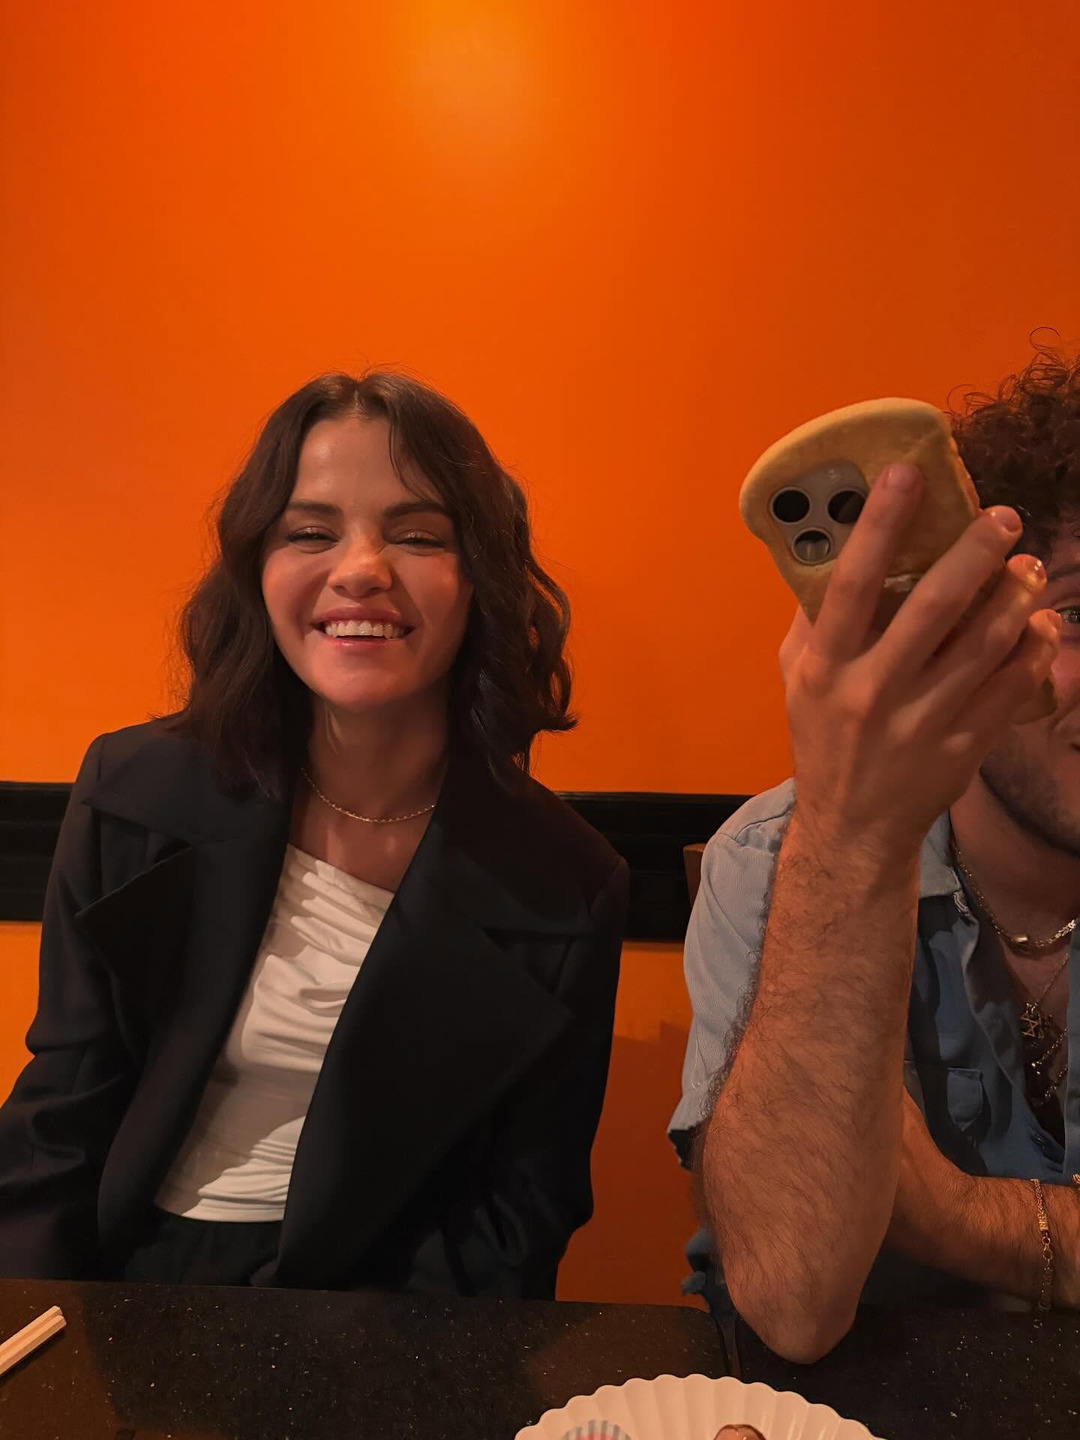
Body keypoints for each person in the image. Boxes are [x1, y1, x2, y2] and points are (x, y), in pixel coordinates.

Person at [0, 371, 628, 1296]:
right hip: (127, 1286)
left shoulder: (566, 882)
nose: (362, 567)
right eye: (309, 532)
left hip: (389, 1311)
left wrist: (344, 1356)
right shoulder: (133, 791)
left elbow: (519, 1211)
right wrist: (31, 1325)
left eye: (419, 535)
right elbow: (64, 1109)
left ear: (480, 580)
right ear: (257, 568)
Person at [671, 346, 1080, 1360]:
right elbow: (793, 1299)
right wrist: (856, 834)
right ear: (977, 626)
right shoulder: (770, 858)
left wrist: (960, 1219)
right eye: (1079, 614)